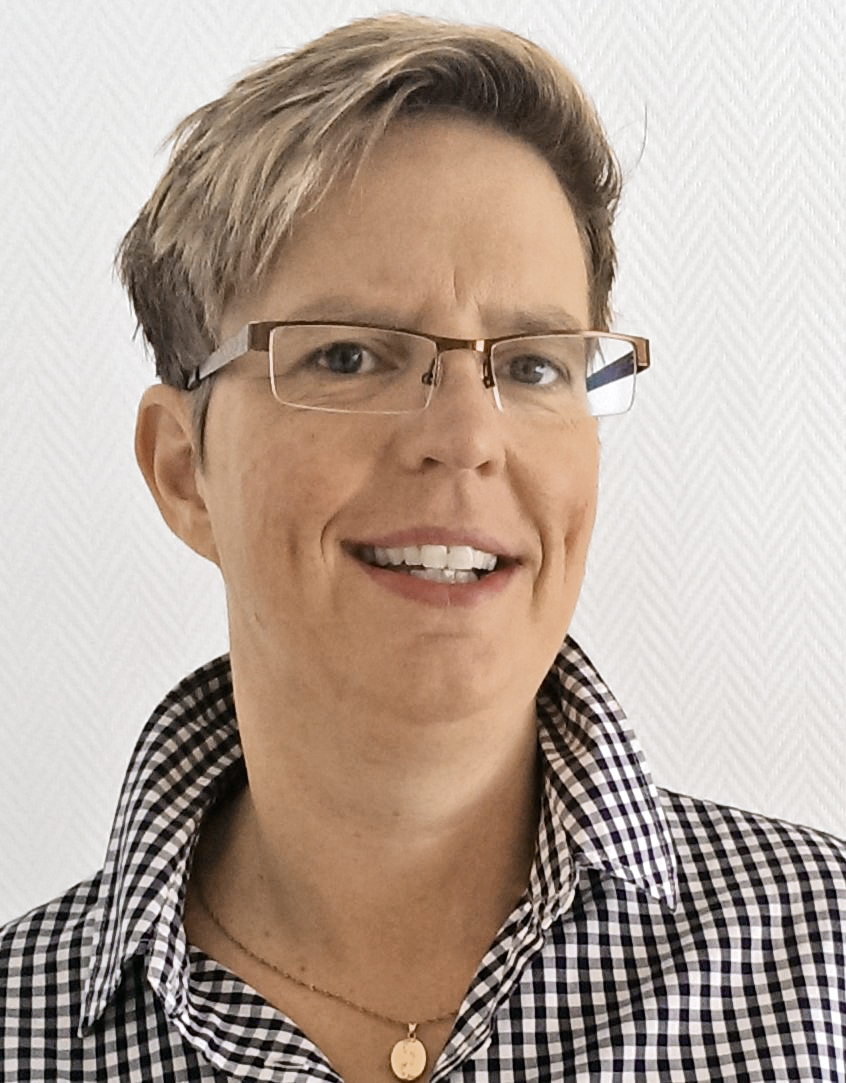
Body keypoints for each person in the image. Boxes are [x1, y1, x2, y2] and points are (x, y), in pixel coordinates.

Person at [1, 12, 844, 1082]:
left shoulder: (825, 964)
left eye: (533, 366)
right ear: (182, 470)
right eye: (350, 357)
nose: (466, 438)